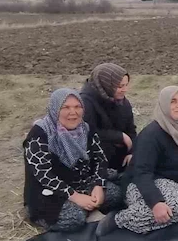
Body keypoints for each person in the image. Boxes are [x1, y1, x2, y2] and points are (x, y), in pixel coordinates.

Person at [101, 86, 178, 235]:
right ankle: (120, 219)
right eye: (173, 101)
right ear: (164, 104)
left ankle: (173, 213)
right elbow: (142, 173)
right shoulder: (152, 134)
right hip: (142, 185)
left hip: (175, 182)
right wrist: (156, 203)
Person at [23, 88, 123, 232]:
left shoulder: (86, 129)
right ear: (55, 109)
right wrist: (75, 197)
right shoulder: (40, 135)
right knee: (74, 218)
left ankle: (87, 207)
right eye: (66, 107)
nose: (73, 112)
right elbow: (43, 175)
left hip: (81, 183)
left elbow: (100, 159)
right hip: (51, 192)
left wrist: (98, 186)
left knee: (116, 195)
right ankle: (39, 216)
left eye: (77, 107)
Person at [80, 63, 136, 178]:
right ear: (106, 85)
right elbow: (87, 133)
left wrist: (133, 152)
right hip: (94, 162)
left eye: (126, 85)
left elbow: (131, 130)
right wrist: (119, 136)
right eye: (120, 86)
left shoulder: (123, 103)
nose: (125, 90)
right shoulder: (85, 102)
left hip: (120, 159)